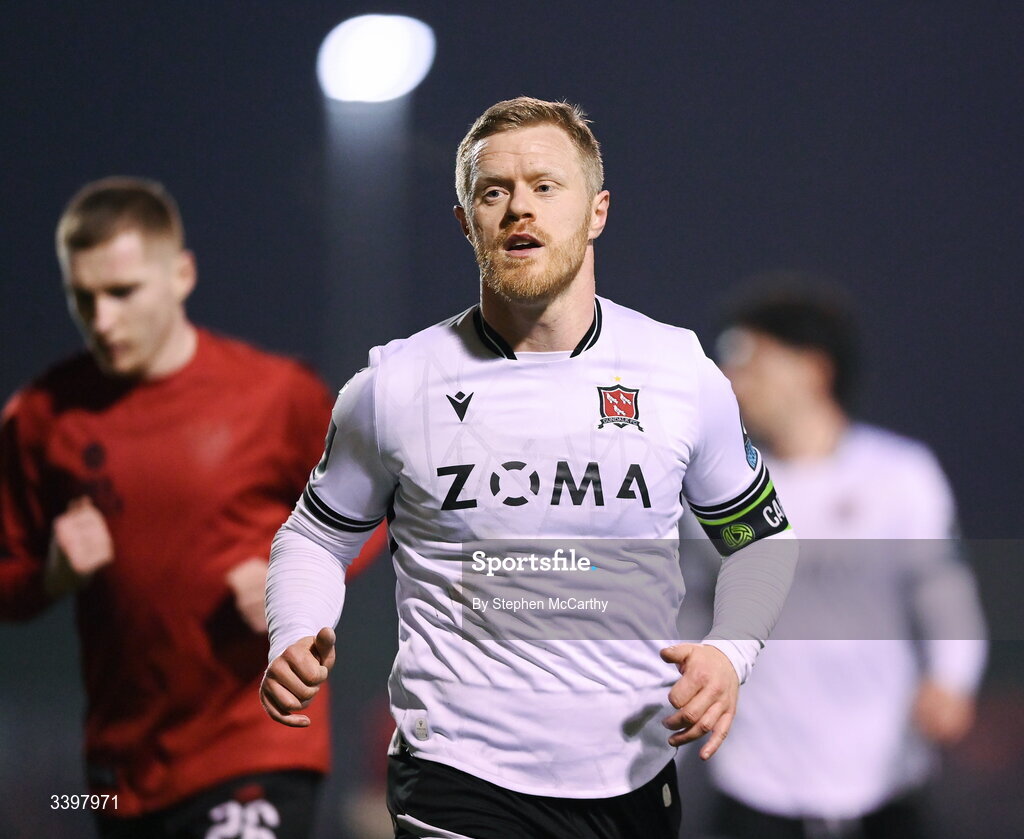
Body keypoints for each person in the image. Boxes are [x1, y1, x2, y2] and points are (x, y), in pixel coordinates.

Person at [260, 97, 797, 839]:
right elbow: (316, 537)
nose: (520, 209)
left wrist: (731, 652)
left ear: (597, 211)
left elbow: (761, 539)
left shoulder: (680, 371)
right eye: (494, 191)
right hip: (456, 778)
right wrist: (295, 625)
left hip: (632, 778)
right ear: (465, 221)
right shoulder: (394, 384)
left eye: (546, 186)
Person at [0, 177, 375, 838]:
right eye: (82, 297)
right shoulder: (41, 417)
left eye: (122, 292)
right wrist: (51, 574)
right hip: (122, 775)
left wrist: (291, 578)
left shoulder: (275, 395)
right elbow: (9, 580)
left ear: (181, 273)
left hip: (255, 742)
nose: (103, 319)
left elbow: (374, 506)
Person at [701, 274, 987, 839]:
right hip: (755, 788)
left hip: (884, 784)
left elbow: (943, 591)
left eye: (750, 357)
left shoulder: (900, 476)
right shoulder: (714, 490)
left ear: (813, 368)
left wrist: (953, 678)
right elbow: (687, 614)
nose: (733, 378)